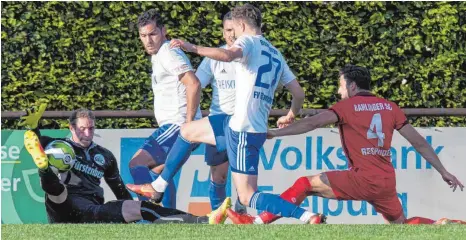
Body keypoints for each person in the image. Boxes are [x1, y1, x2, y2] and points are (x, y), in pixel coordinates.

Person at [127, 4, 326, 224]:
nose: (232, 34)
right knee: (188, 130)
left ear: (241, 25)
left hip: (242, 130)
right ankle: (158, 187)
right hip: (239, 124)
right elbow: (298, 92)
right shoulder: (275, 53)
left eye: (234, 28)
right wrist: (291, 114)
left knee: (248, 195)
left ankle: (306, 216)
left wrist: (192, 47)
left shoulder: (248, 41)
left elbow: (228, 54)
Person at [226, 65, 465, 224]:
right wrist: (443, 171)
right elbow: (420, 143)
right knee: (401, 225)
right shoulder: (390, 107)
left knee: (304, 184)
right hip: (385, 181)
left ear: (352, 86)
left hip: (361, 179)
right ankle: (444, 224)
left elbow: (312, 124)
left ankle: (255, 221)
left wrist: (275, 133)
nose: (339, 90)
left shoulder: (346, 107)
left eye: (341, 85)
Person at [20, 106, 224, 224]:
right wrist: (33, 127)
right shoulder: (58, 146)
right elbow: (33, 140)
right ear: (71, 128)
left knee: (142, 207)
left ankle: (201, 221)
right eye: (82, 129)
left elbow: (119, 189)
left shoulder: (104, 155)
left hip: (93, 210)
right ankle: (44, 167)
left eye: (91, 128)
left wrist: (130, 213)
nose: (87, 133)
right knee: (57, 191)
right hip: (64, 208)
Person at [127, 9, 203, 209]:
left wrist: (188, 124)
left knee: (137, 164)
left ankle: (149, 217)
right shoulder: (160, 53)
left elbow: (193, 84)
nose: (148, 40)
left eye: (152, 34)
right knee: (156, 175)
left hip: (177, 125)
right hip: (179, 125)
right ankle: (169, 219)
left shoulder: (168, 52)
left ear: (163, 31)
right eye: (143, 36)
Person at [195, 11, 246, 213]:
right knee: (218, 175)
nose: (231, 35)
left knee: (244, 177)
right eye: (227, 30)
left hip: (244, 123)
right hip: (218, 122)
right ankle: (218, 217)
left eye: (234, 30)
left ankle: (242, 214)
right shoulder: (214, 58)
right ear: (223, 32)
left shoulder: (251, 55)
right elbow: (195, 85)